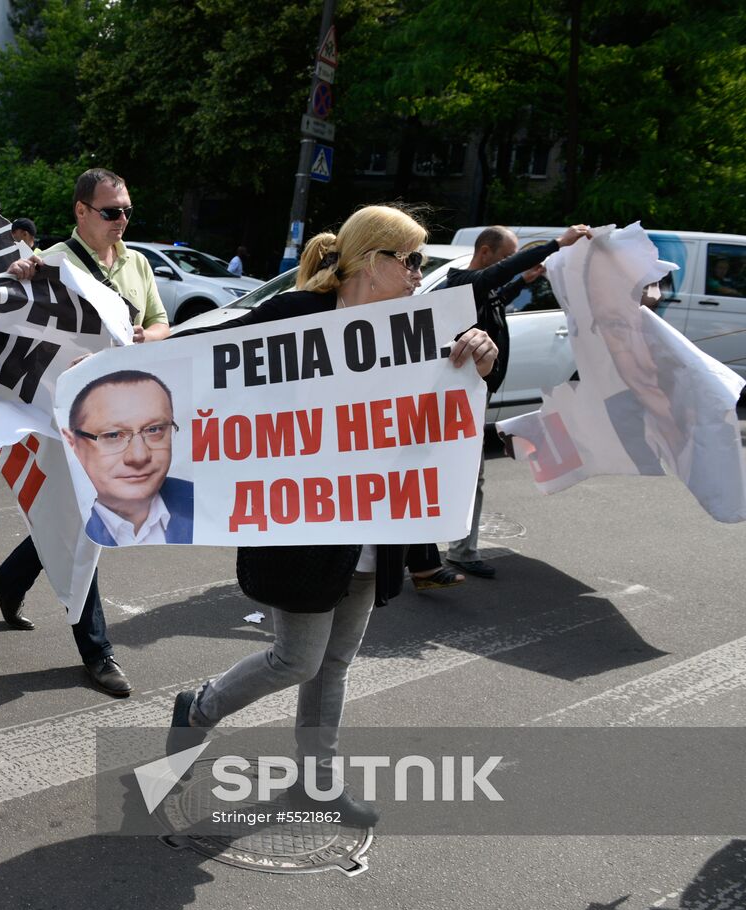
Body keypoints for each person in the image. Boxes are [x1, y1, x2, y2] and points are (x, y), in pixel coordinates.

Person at [166, 204, 501, 827]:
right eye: (411, 262)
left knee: (334, 663)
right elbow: (208, 352)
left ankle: (317, 784)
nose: (417, 275)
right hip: (305, 529)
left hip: (375, 529)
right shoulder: (297, 317)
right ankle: (199, 709)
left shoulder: (419, 329)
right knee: (297, 659)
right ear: (373, 262)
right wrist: (113, 364)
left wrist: (481, 355)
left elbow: (472, 385)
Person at [0, 167, 171, 699]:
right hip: (64, 418)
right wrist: (17, 273)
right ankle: (97, 650)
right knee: (89, 523)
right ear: (81, 212)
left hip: (119, 415)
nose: (122, 220)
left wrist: (144, 334)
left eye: (128, 209)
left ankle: (7, 580)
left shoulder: (137, 263)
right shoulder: (53, 263)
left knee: (74, 517)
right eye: (111, 211)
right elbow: (5, 316)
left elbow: (161, 322)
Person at [434, 222, 592, 579]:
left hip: (474, 398)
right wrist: (555, 244)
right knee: (459, 476)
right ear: (486, 253)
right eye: (506, 257)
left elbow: (495, 297)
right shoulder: (461, 283)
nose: (509, 263)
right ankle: (442, 555)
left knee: (467, 477)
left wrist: (525, 282)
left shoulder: (479, 290)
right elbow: (494, 280)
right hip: (457, 401)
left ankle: (453, 551)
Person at [64, 370, 194, 546]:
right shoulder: (61, 518)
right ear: (72, 443)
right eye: (114, 435)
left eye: (154, 430)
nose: (139, 456)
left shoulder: (199, 502)